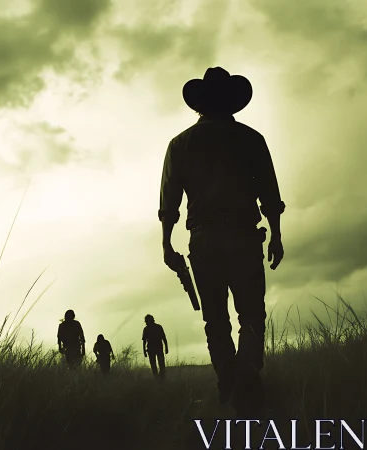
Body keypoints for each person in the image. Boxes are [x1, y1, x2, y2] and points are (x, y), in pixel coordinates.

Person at [157, 67, 286, 417]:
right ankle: (245, 376)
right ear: (231, 102)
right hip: (244, 237)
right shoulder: (251, 139)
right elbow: (269, 194)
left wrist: (167, 244)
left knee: (215, 320)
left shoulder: (179, 144)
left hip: (203, 241)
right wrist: (275, 234)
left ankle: (228, 381)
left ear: (200, 105)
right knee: (251, 316)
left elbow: (169, 203)